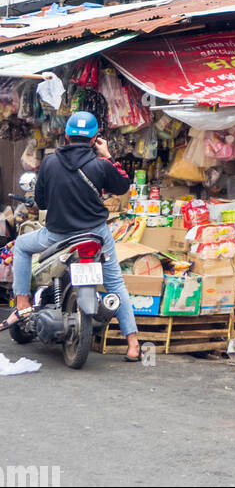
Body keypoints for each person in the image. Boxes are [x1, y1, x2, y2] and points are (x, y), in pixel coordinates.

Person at [7, 112, 141, 361]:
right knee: (115, 284)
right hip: (97, 234)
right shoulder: (101, 165)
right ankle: (133, 344)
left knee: (22, 246)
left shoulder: (49, 162)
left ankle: (23, 303)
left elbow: (42, 201)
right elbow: (123, 186)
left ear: (67, 135)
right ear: (94, 139)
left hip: (57, 235)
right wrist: (108, 155)